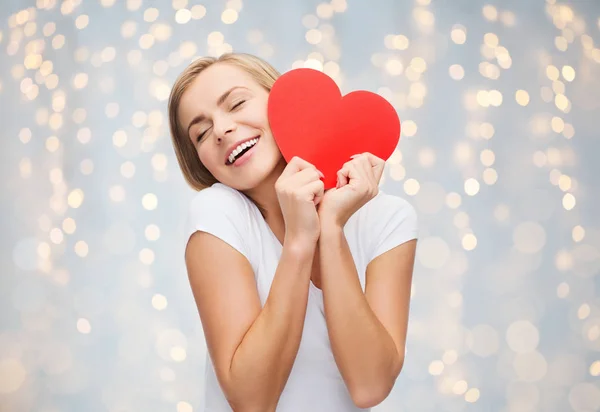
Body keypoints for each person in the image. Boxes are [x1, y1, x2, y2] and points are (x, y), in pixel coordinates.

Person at [168, 52, 418, 412]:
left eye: (237, 103)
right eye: (201, 133)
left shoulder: (389, 219)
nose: (221, 130)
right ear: (200, 161)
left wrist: (330, 228)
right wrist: (299, 243)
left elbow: (370, 386)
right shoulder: (217, 214)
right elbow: (251, 400)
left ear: (282, 101)